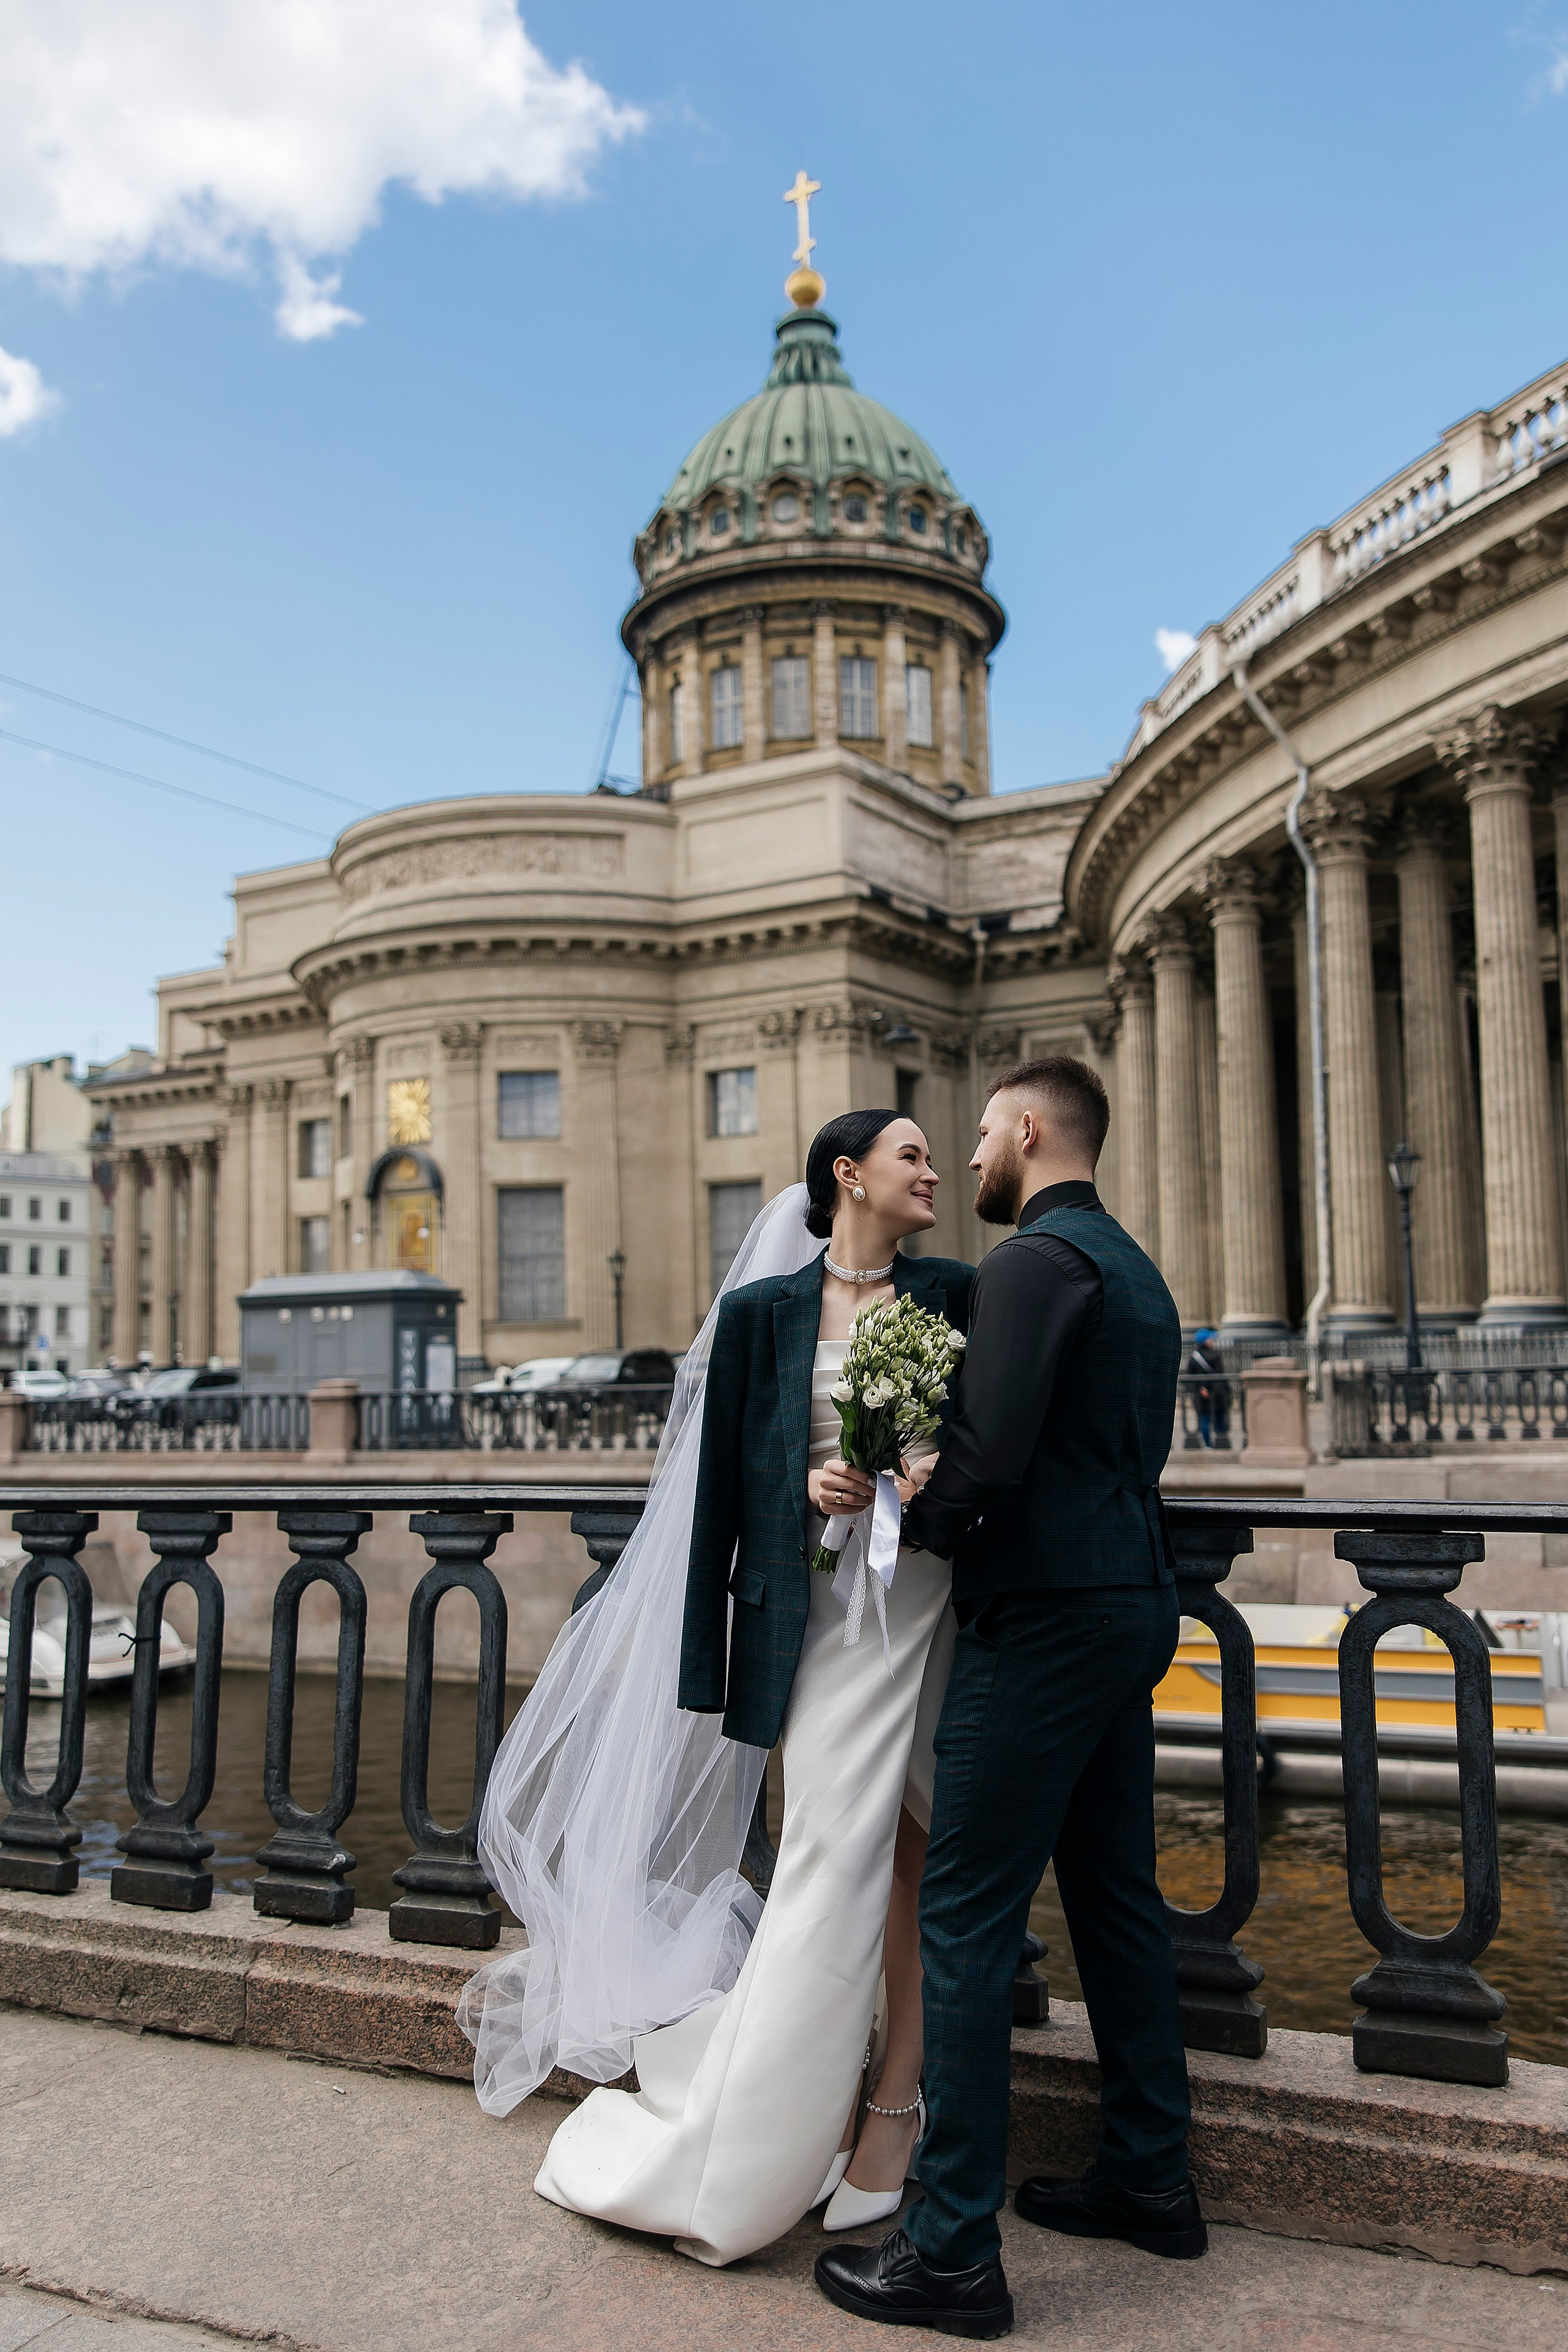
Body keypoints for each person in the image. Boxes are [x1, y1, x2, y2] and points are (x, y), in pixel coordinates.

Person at [458, 1110, 973, 2267]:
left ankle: (892, 2105)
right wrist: (809, 1482)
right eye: (910, 1156)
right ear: (848, 1177)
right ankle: (770, 2136)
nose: (933, 1170)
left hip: (938, 1608)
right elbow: (730, 1492)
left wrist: (940, 1465)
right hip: (835, 1625)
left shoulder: (954, 1293)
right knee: (834, 1857)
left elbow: (992, 1432)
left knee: (916, 1855)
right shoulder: (760, 1317)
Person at [816, 1055, 1199, 2342]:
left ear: (1028, 1131)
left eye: (980, 1134)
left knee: (967, 1916)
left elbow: (991, 1451)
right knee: (1113, 1896)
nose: (970, 1158)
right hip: (1126, 1601)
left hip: (1038, 1617)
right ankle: (1150, 2175)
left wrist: (912, 1495)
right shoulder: (1132, 1266)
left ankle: (947, 2249)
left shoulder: (1035, 1263)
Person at [1186, 1327, 1229, 1449]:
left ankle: (1208, 1444)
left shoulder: (1193, 1357)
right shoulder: (1215, 1355)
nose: (1212, 1341)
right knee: (1219, 1418)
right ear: (1206, 1341)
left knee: (1204, 1418)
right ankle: (1222, 1441)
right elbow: (1219, 1374)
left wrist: (1201, 1388)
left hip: (1201, 1394)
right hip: (1217, 1393)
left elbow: (1190, 1376)